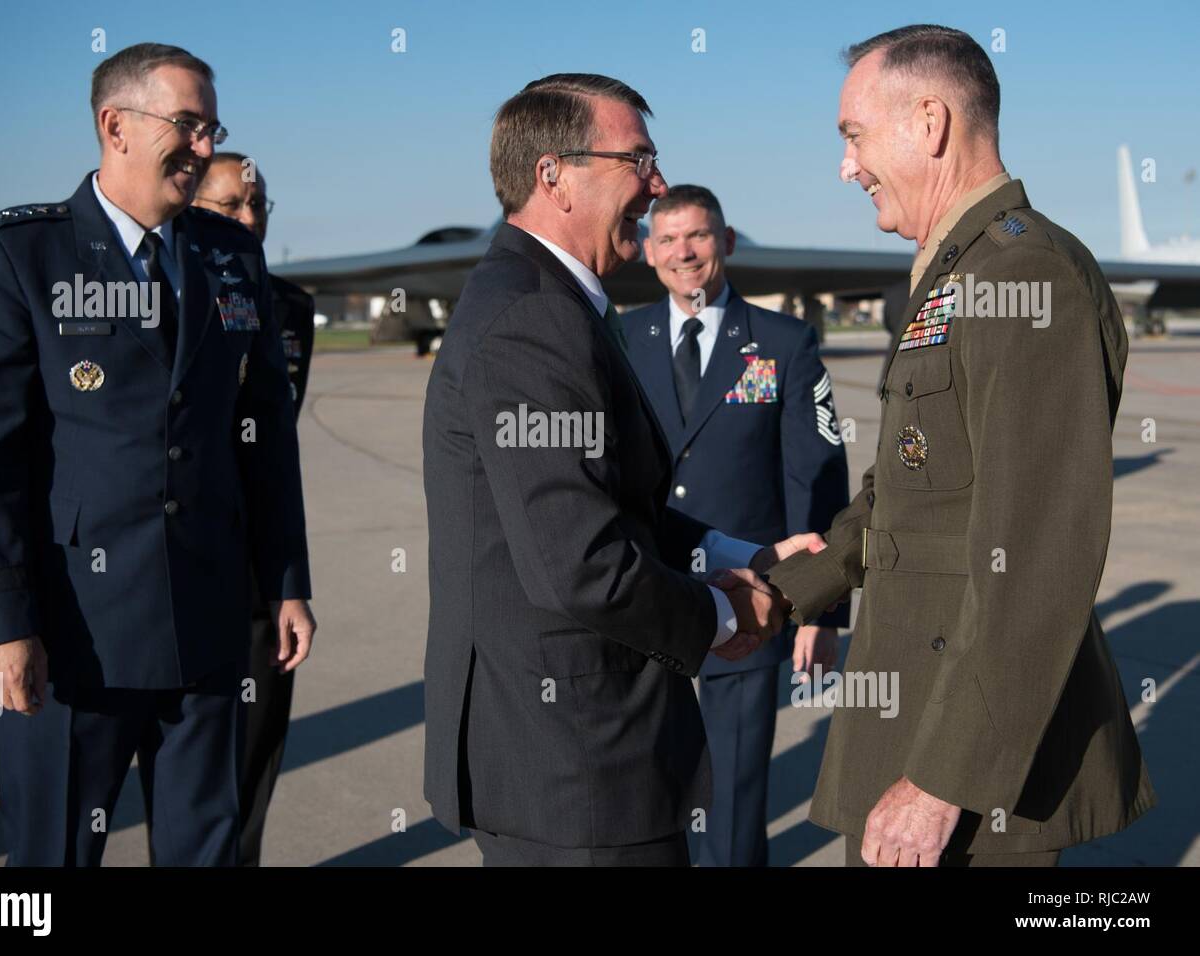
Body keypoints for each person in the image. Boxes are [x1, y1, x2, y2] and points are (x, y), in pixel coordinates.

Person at [765, 25, 1155, 866]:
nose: (848, 165)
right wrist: (802, 581)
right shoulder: (959, 274)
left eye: (853, 136)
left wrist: (943, 781)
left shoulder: (1026, 279)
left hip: (973, 766)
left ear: (930, 122)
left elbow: (1041, 550)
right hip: (919, 709)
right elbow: (919, 487)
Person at [422, 73, 821, 867]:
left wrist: (741, 556)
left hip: (580, 762)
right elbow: (581, 562)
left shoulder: (559, 304)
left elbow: (612, 502)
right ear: (554, 176)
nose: (659, 184)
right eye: (638, 158)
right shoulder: (531, 321)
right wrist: (722, 617)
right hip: (575, 771)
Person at [0, 42, 315, 866]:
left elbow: (264, 436)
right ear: (115, 126)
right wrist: (2, 627)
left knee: (206, 851)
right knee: (55, 856)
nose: (206, 148)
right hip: (76, 639)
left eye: (212, 128)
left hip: (209, 625)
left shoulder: (230, 254)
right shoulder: (18, 254)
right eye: (188, 125)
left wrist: (286, 581)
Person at [626, 184, 851, 866]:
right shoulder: (622, 337)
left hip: (752, 597)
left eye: (697, 236)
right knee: (644, 785)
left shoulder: (782, 343)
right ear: (647, 253)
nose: (683, 252)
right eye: (666, 239)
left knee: (733, 789)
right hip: (648, 591)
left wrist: (819, 607)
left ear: (725, 242)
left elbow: (817, 476)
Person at [136, 151, 316, 866]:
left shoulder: (288, 305)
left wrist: (287, 581)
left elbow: (275, 446)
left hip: (249, 570)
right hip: (150, 567)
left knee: (248, 763)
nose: (250, 218)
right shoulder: (148, 293)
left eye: (258, 204)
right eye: (229, 206)